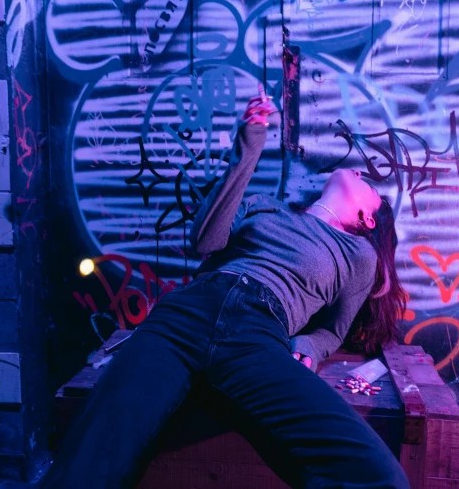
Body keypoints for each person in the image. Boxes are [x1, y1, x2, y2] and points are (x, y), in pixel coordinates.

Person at [40, 93, 411, 489]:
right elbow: (204, 240)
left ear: (367, 218)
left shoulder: (357, 255)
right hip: (182, 318)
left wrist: (310, 347)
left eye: (369, 186)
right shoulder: (265, 206)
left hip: (257, 333)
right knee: (87, 466)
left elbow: (333, 329)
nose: (359, 173)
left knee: (376, 476)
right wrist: (248, 146)